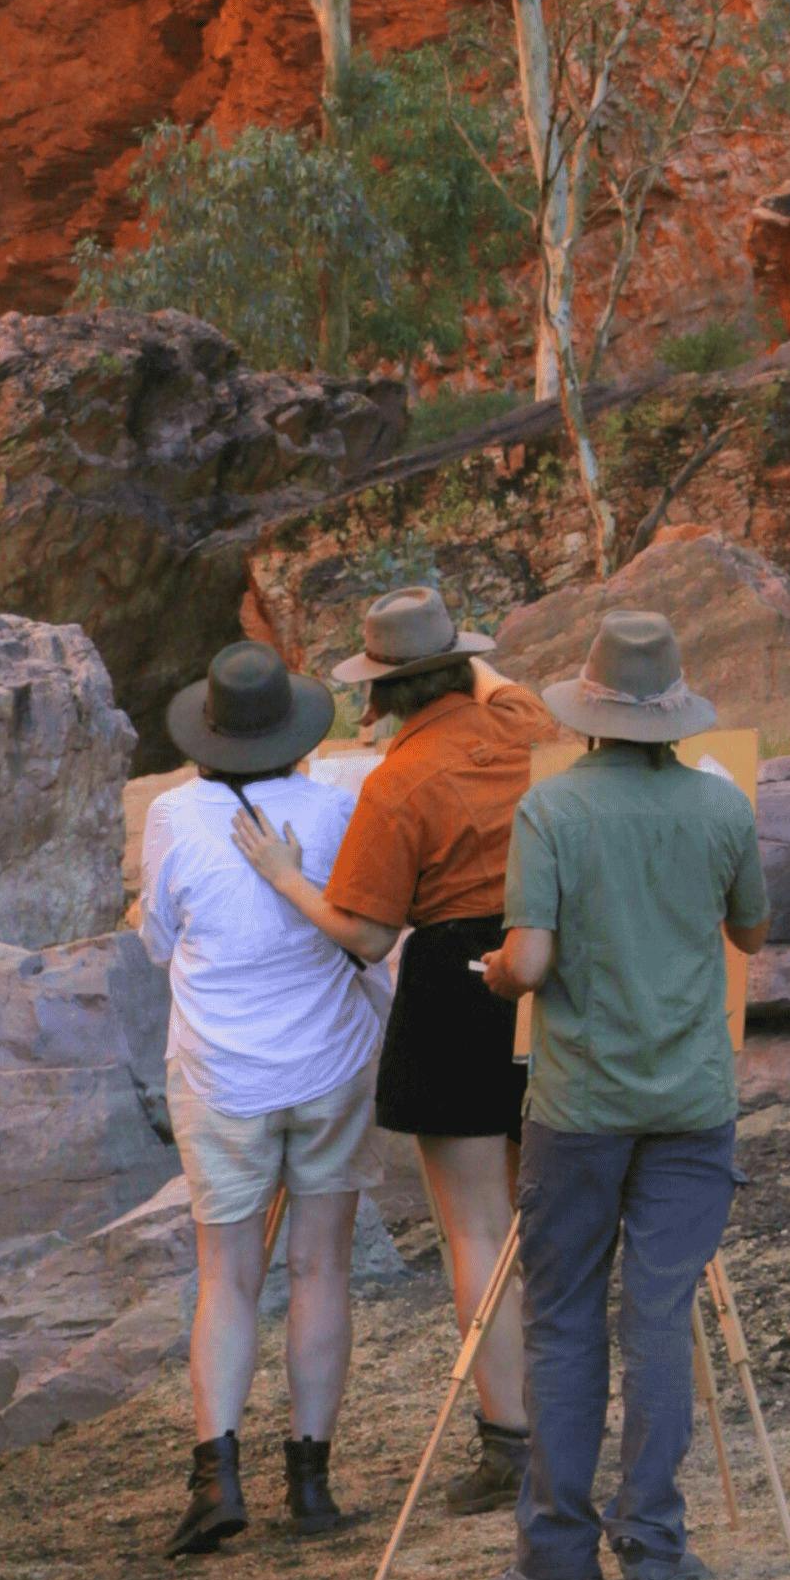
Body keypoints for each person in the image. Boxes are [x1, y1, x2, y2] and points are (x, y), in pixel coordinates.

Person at [234, 586, 554, 1517]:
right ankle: (568, 1414)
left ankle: (509, 1443)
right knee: (554, 1218)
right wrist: (453, 653)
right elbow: (500, 682)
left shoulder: (397, 782)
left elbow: (368, 936)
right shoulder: (528, 723)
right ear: (463, 666)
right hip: (549, 971)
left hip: (458, 988)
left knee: (479, 1231)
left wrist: (290, 881)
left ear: (380, 694)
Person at [477, 609, 769, 1580]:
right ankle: (652, 1546)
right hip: (690, 1100)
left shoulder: (550, 811)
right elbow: (753, 930)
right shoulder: (720, 809)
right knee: (656, 1320)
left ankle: (557, 1557)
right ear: (675, 710)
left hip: (579, 1103)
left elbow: (527, 962)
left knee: (560, 1325)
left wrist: (489, 976)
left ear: (589, 711)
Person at [137, 641, 389, 1558]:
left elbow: (158, 944)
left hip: (221, 1077)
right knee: (322, 1270)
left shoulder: (171, 815)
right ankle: (312, 1486)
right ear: (294, 732)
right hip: (330, 1065)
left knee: (227, 1278)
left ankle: (216, 1479)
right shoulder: (334, 805)